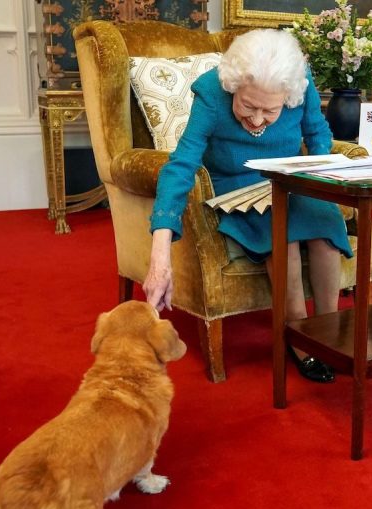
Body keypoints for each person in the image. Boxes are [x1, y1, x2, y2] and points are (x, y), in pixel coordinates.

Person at [145, 28, 352, 383]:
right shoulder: (212, 91)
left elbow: (318, 136)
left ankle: (327, 333)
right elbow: (181, 164)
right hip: (235, 184)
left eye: (270, 111)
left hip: (290, 178)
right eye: (247, 106)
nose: (257, 120)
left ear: (287, 95)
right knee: (281, 236)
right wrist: (160, 249)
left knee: (325, 232)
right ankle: (299, 338)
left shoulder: (299, 82)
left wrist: (321, 181)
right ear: (233, 86)